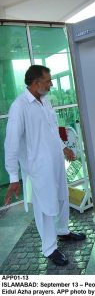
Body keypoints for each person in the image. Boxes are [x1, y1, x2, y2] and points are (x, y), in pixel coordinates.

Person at [4, 65, 86, 266]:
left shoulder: (46, 100)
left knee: (61, 197)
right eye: (48, 80)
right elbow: (11, 143)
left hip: (56, 160)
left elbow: (51, 130)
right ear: (35, 83)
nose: (51, 84)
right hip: (38, 166)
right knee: (45, 206)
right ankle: (49, 248)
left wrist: (63, 147)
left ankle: (63, 231)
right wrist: (14, 177)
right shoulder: (19, 106)